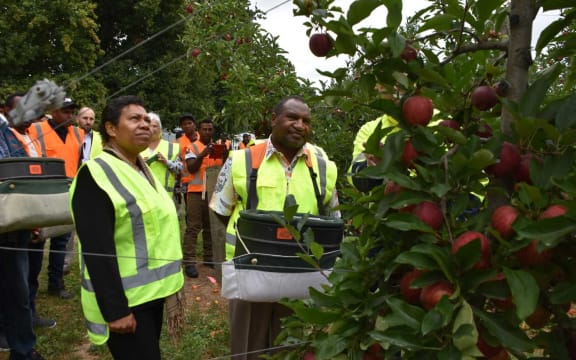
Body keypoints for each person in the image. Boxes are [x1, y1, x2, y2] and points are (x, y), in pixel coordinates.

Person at [209, 96, 339, 359]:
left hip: (299, 274)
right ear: (273, 119)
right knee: (247, 345)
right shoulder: (243, 160)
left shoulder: (323, 167)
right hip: (250, 271)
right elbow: (222, 211)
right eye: (292, 117)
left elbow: (332, 220)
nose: (300, 125)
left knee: (288, 345)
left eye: (306, 121)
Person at [70, 95, 184, 359]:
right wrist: (116, 310)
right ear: (111, 129)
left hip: (152, 294)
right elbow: (97, 250)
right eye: (134, 119)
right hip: (126, 303)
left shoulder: (140, 168)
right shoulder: (95, 175)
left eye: (146, 119)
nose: (145, 124)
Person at [4, 93, 57, 329]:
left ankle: (29, 315)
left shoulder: (32, 137)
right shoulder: (6, 138)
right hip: (11, 219)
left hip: (32, 217)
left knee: (29, 273)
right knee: (12, 279)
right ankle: (7, 327)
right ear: (6, 110)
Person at [28, 98, 84, 300]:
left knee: (61, 241)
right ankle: (30, 286)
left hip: (66, 192)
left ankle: (56, 283)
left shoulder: (77, 132)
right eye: (65, 111)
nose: (70, 115)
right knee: (37, 241)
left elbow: (78, 161)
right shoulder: (36, 129)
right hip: (42, 192)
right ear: (53, 111)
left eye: (72, 111)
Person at [0, 113, 45, 360]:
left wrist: (31, 219)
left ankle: (22, 350)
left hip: (11, 228)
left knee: (18, 292)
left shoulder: (9, 135)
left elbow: (21, 181)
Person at [182, 118, 227, 278]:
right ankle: (189, 262)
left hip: (213, 192)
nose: (207, 132)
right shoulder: (192, 147)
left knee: (210, 226)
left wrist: (225, 155)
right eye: (204, 129)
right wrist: (202, 155)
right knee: (193, 227)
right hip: (195, 192)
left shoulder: (218, 148)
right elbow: (192, 168)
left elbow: (224, 169)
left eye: (210, 129)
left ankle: (209, 257)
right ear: (198, 131)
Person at [141, 112, 182, 192]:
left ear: (160, 129)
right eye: (148, 126)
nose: (151, 129)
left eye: (154, 126)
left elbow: (180, 169)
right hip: (144, 193)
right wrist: (140, 165)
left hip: (166, 195)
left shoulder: (171, 147)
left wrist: (166, 162)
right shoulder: (136, 146)